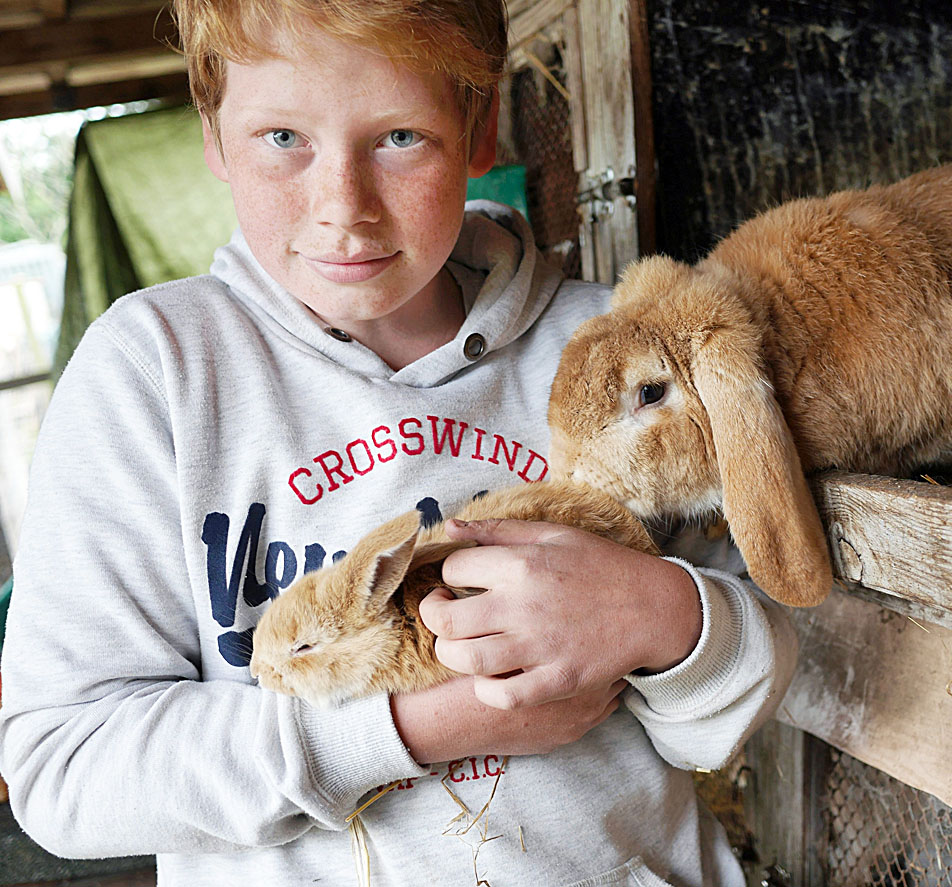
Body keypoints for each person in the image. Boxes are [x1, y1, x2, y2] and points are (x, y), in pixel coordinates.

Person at [0, 1, 798, 884]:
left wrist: (660, 615)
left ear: (477, 126)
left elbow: (751, 683)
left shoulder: (615, 353)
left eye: (399, 138)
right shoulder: (155, 372)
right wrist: (422, 726)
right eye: (280, 138)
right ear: (215, 135)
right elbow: (64, 769)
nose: (345, 208)